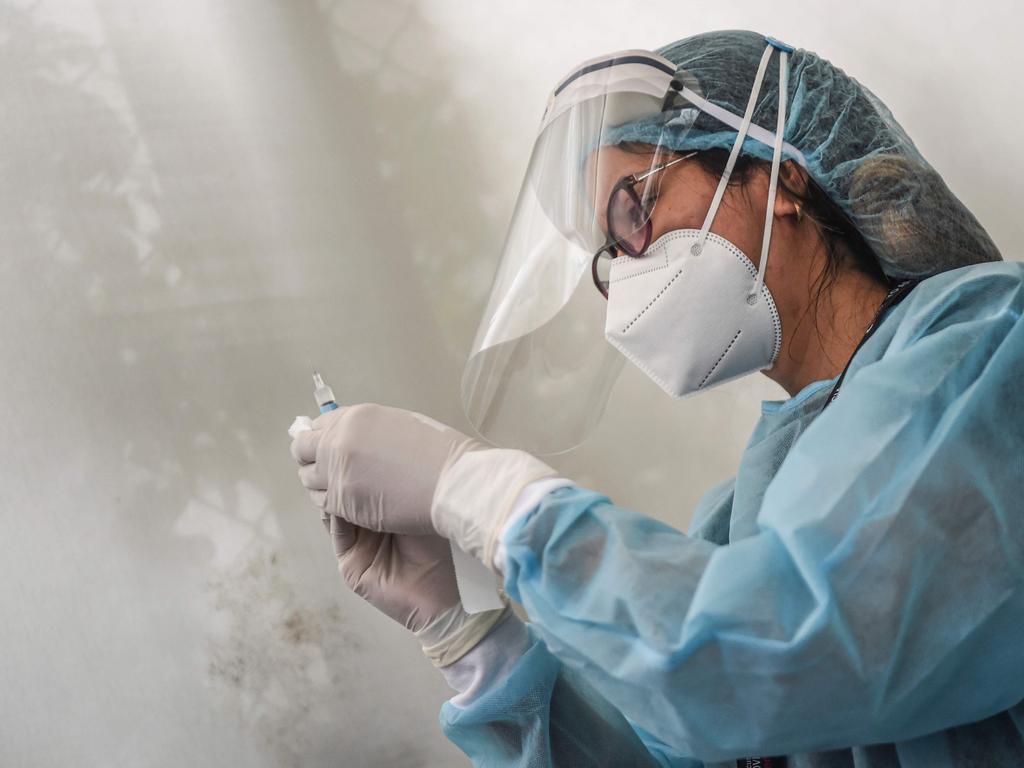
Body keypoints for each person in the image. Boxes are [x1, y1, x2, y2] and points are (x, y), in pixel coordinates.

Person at [290, 30, 1024, 766]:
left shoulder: (991, 354)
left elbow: (788, 654)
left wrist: (491, 497)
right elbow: (676, 733)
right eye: (610, 255)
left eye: (634, 208)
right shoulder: (744, 517)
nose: (626, 274)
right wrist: (472, 639)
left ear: (780, 176)